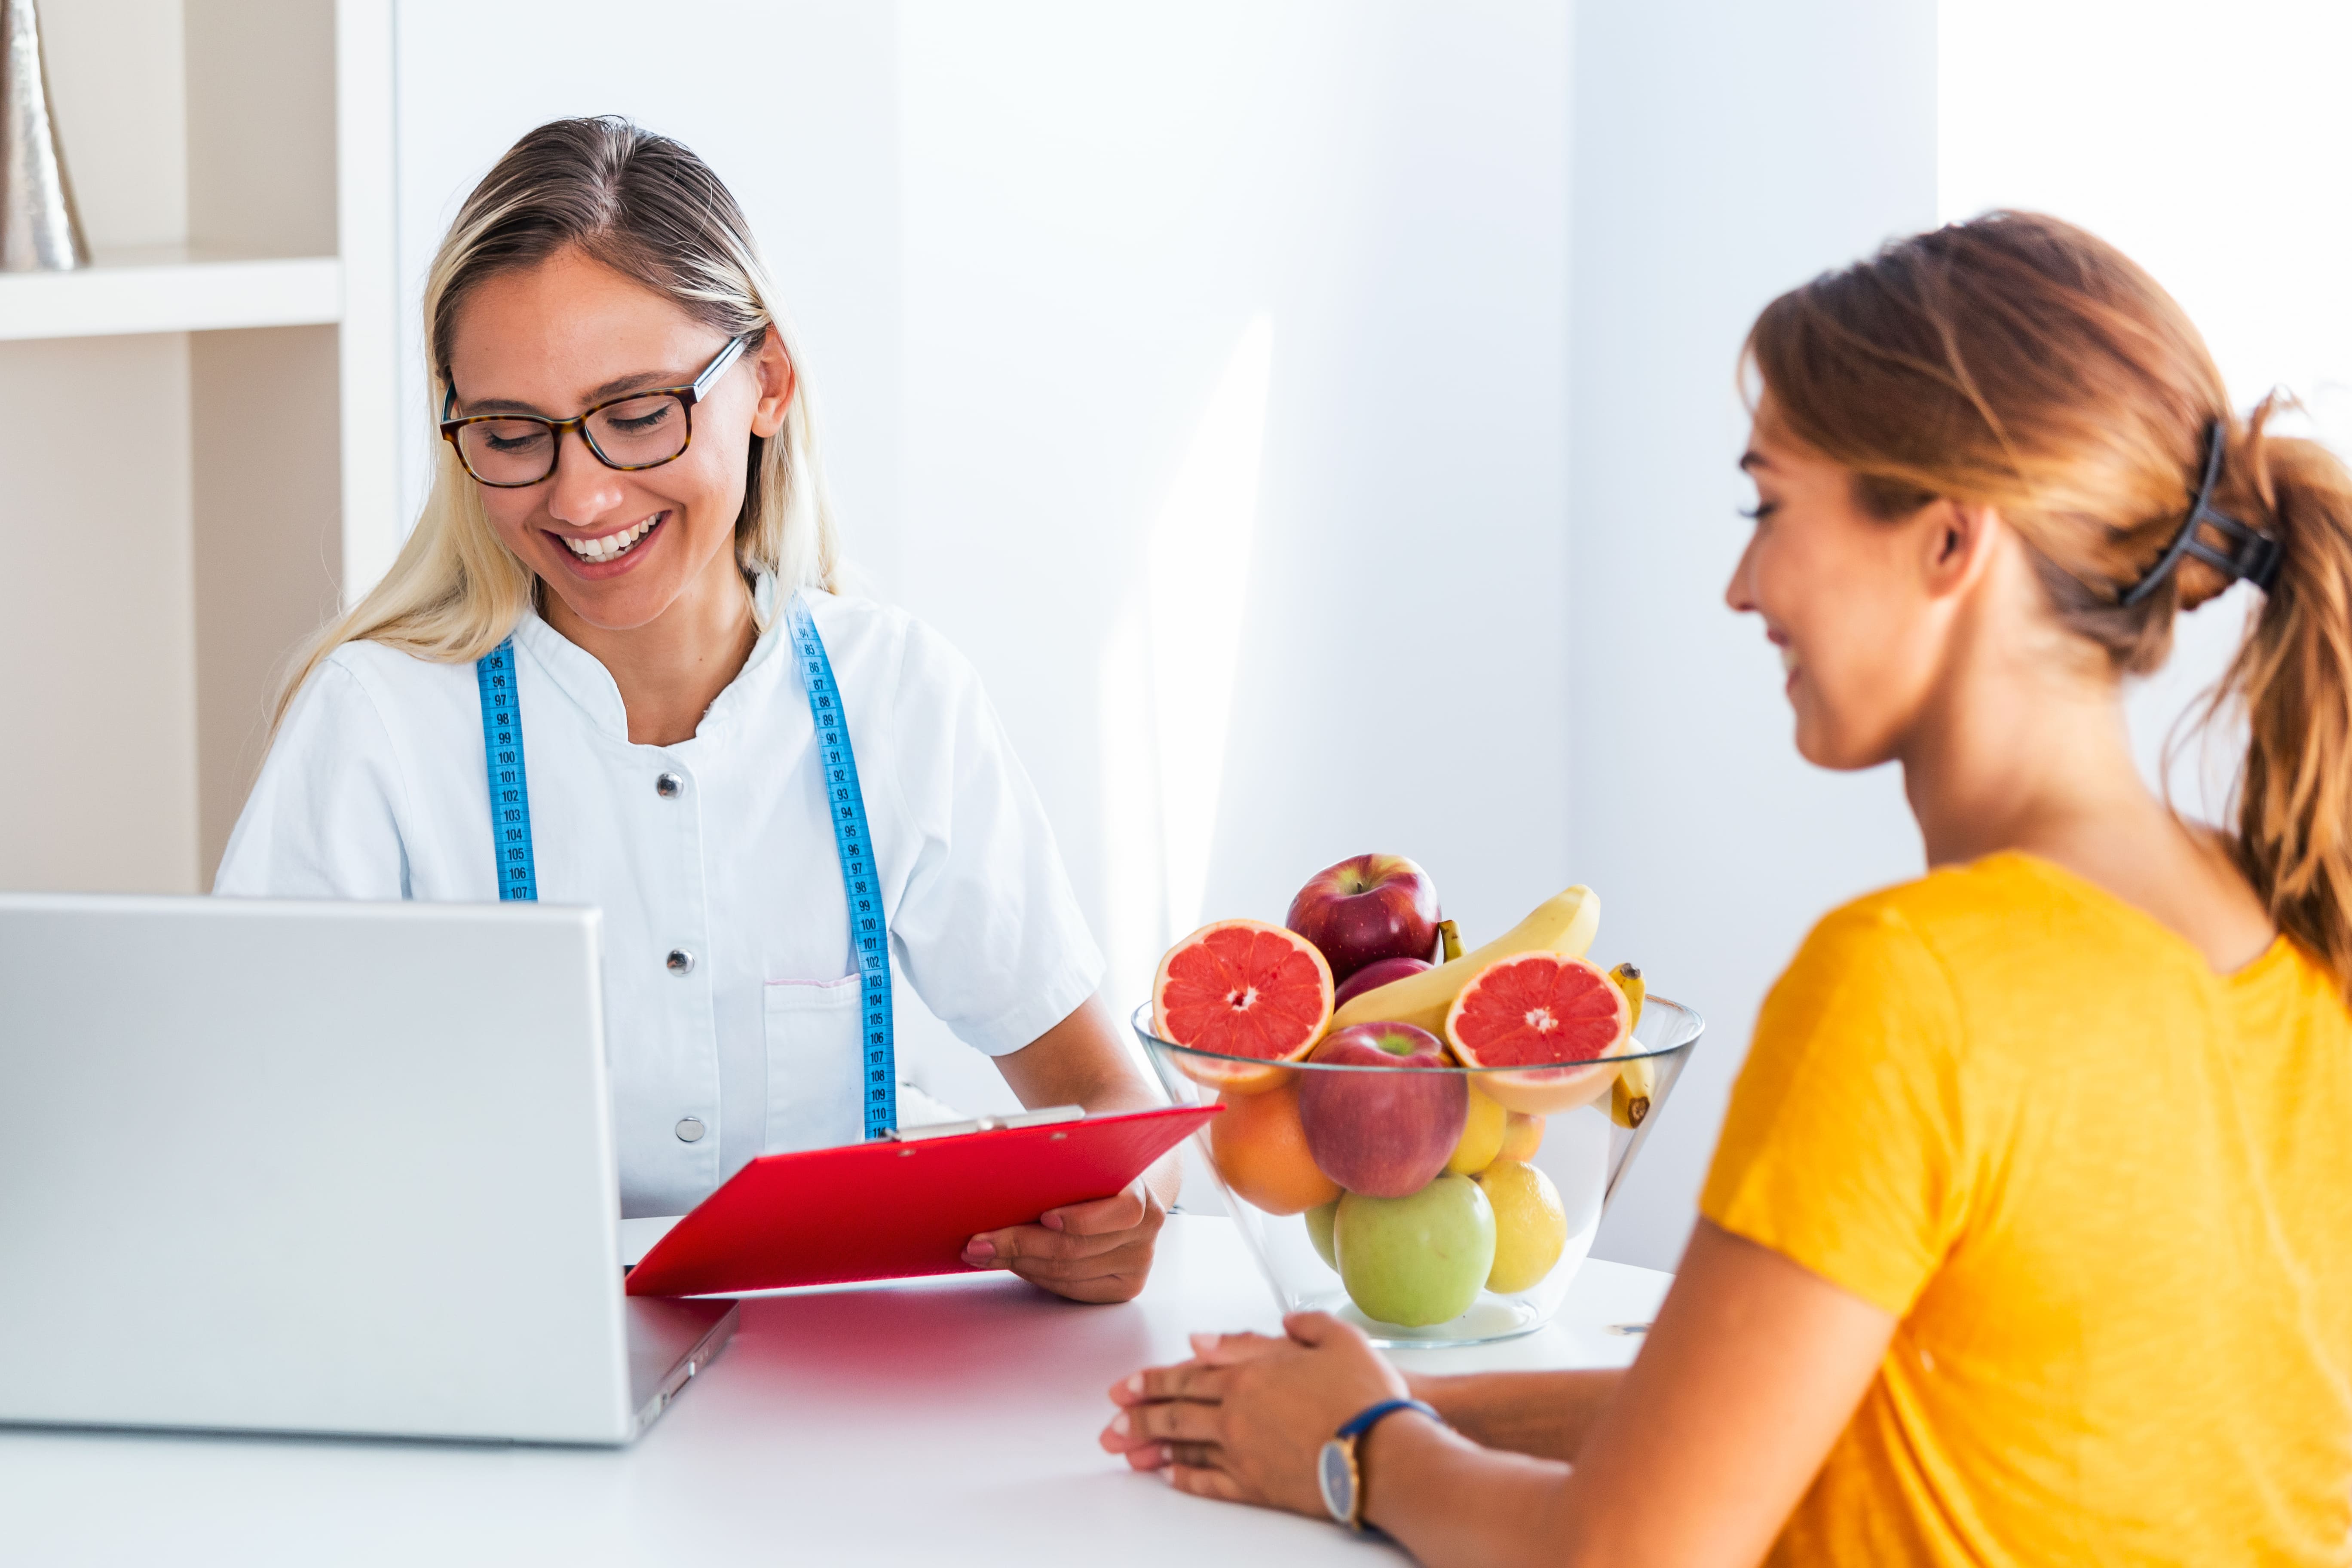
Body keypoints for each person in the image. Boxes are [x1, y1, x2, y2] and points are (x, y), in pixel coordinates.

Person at [1099, 211, 2352, 1560]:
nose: (1740, 585)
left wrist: (1360, 1454)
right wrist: (1401, 1401)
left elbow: (1626, 1555)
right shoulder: (2297, 941)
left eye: (1770, 505)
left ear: (1950, 541)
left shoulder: (1916, 981)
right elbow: (1887, 1398)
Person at [217, 117, 1174, 1304]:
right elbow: (240, 1159)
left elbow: (1118, 1112)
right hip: (499, 1389)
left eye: (637, 413)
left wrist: (1116, 1228)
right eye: (512, 435)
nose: (581, 493)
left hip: (832, 1395)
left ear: (766, 382)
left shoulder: (895, 699)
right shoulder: (376, 730)